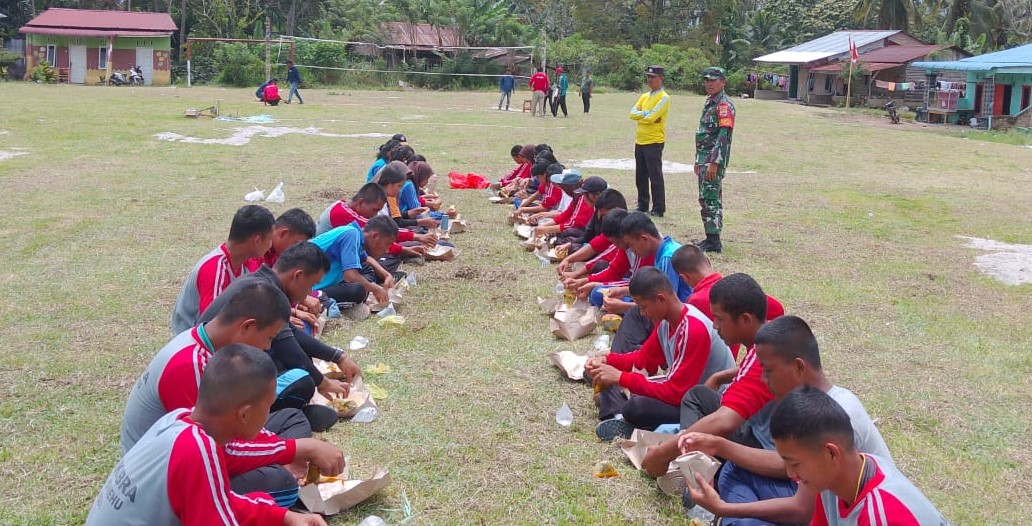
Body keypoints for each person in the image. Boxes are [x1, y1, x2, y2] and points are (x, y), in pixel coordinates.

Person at [91, 344, 341, 526]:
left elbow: (218, 501)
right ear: (244, 414)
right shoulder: (198, 450)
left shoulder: (177, 420)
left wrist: (285, 516)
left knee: (261, 500)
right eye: (268, 406)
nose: (268, 415)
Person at [680, 316, 893, 525]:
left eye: (768, 370)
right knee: (735, 470)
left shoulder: (833, 416)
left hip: (841, 515)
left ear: (799, 367)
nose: (763, 379)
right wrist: (719, 445)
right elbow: (787, 467)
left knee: (737, 480)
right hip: (821, 505)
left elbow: (802, 510)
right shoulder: (813, 404)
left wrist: (725, 508)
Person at [124, 281, 317, 507]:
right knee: (282, 484)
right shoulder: (190, 365)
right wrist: (290, 452)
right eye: (269, 338)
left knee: (292, 417)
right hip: (168, 476)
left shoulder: (208, 345)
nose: (267, 347)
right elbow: (209, 451)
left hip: (209, 444)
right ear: (247, 326)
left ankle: (276, 464)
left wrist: (283, 451)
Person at [202, 242, 357, 433]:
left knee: (298, 365)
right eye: (311, 285)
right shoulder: (266, 294)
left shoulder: (262, 282)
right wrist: (322, 382)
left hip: (225, 369)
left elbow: (289, 335)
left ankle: (284, 414)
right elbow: (288, 347)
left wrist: (337, 356)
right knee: (303, 380)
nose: (309, 293)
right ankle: (274, 418)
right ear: (298, 275)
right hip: (219, 381)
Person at [641, 274, 783, 478]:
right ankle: (691, 457)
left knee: (697, 404)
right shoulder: (772, 337)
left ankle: (690, 468)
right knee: (698, 395)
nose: (715, 326)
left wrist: (664, 453)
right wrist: (720, 376)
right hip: (768, 437)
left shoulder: (761, 356)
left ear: (745, 320)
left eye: (719, 319)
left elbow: (724, 422)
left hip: (764, 448)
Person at [586, 267, 734, 440]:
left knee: (636, 405)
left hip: (705, 405)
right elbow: (643, 360)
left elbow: (677, 392)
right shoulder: (666, 322)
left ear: (661, 299)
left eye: (643, 307)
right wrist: (607, 360)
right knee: (613, 378)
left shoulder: (693, 328)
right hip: (683, 392)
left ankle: (622, 418)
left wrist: (620, 377)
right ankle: (620, 417)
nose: (642, 313)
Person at [766, 388, 949, 526]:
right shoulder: (834, 480)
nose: (791, 473)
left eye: (795, 463)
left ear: (831, 453)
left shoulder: (881, 516)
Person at [171, 205, 274, 335]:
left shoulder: (243, 264)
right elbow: (211, 326)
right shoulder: (215, 268)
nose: (270, 245)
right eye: (270, 239)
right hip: (196, 342)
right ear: (257, 240)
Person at [311, 216, 398, 307]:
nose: (387, 250)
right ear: (375, 236)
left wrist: (386, 275)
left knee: (366, 269)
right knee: (357, 290)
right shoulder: (352, 235)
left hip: (321, 282)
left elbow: (366, 258)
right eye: (388, 244)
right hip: (310, 289)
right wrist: (375, 289)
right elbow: (351, 276)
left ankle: (366, 288)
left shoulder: (354, 234)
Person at [695, 67, 736, 253]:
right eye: (707, 80)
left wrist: (714, 162)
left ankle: (713, 240)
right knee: (706, 197)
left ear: (723, 82)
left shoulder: (724, 105)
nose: (709, 83)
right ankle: (710, 236)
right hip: (704, 159)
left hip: (712, 160)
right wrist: (698, 160)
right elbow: (704, 135)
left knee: (710, 198)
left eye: (713, 80)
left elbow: (723, 137)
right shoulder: (710, 102)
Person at [630, 65, 670, 217]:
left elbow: (652, 117)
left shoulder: (664, 97)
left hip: (654, 141)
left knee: (655, 176)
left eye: (653, 77)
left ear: (661, 78)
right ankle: (642, 204)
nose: (649, 79)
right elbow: (632, 113)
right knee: (640, 175)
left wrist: (646, 116)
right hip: (640, 140)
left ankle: (658, 207)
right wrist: (646, 115)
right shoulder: (644, 96)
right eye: (648, 76)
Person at [250, 207, 317, 270]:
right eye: (296, 244)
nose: (297, 250)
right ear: (283, 233)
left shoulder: (279, 253)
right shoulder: (256, 249)